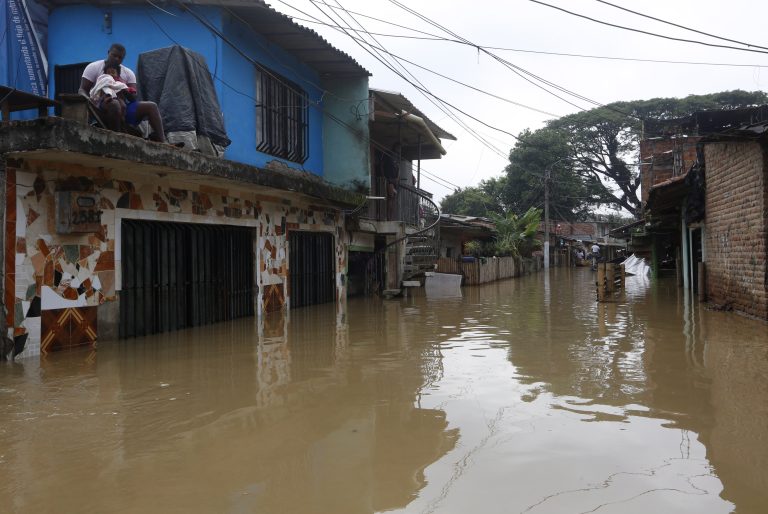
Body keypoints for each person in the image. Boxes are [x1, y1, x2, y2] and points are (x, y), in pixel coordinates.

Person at [79, 43, 167, 143]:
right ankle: (117, 140)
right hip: (100, 108)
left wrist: (123, 88)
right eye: (114, 55)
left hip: (124, 110)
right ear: (108, 53)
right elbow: (82, 90)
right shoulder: (94, 67)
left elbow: (133, 98)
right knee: (114, 104)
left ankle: (162, 141)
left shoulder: (128, 73)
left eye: (120, 57)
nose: (116, 59)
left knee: (152, 106)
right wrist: (89, 101)